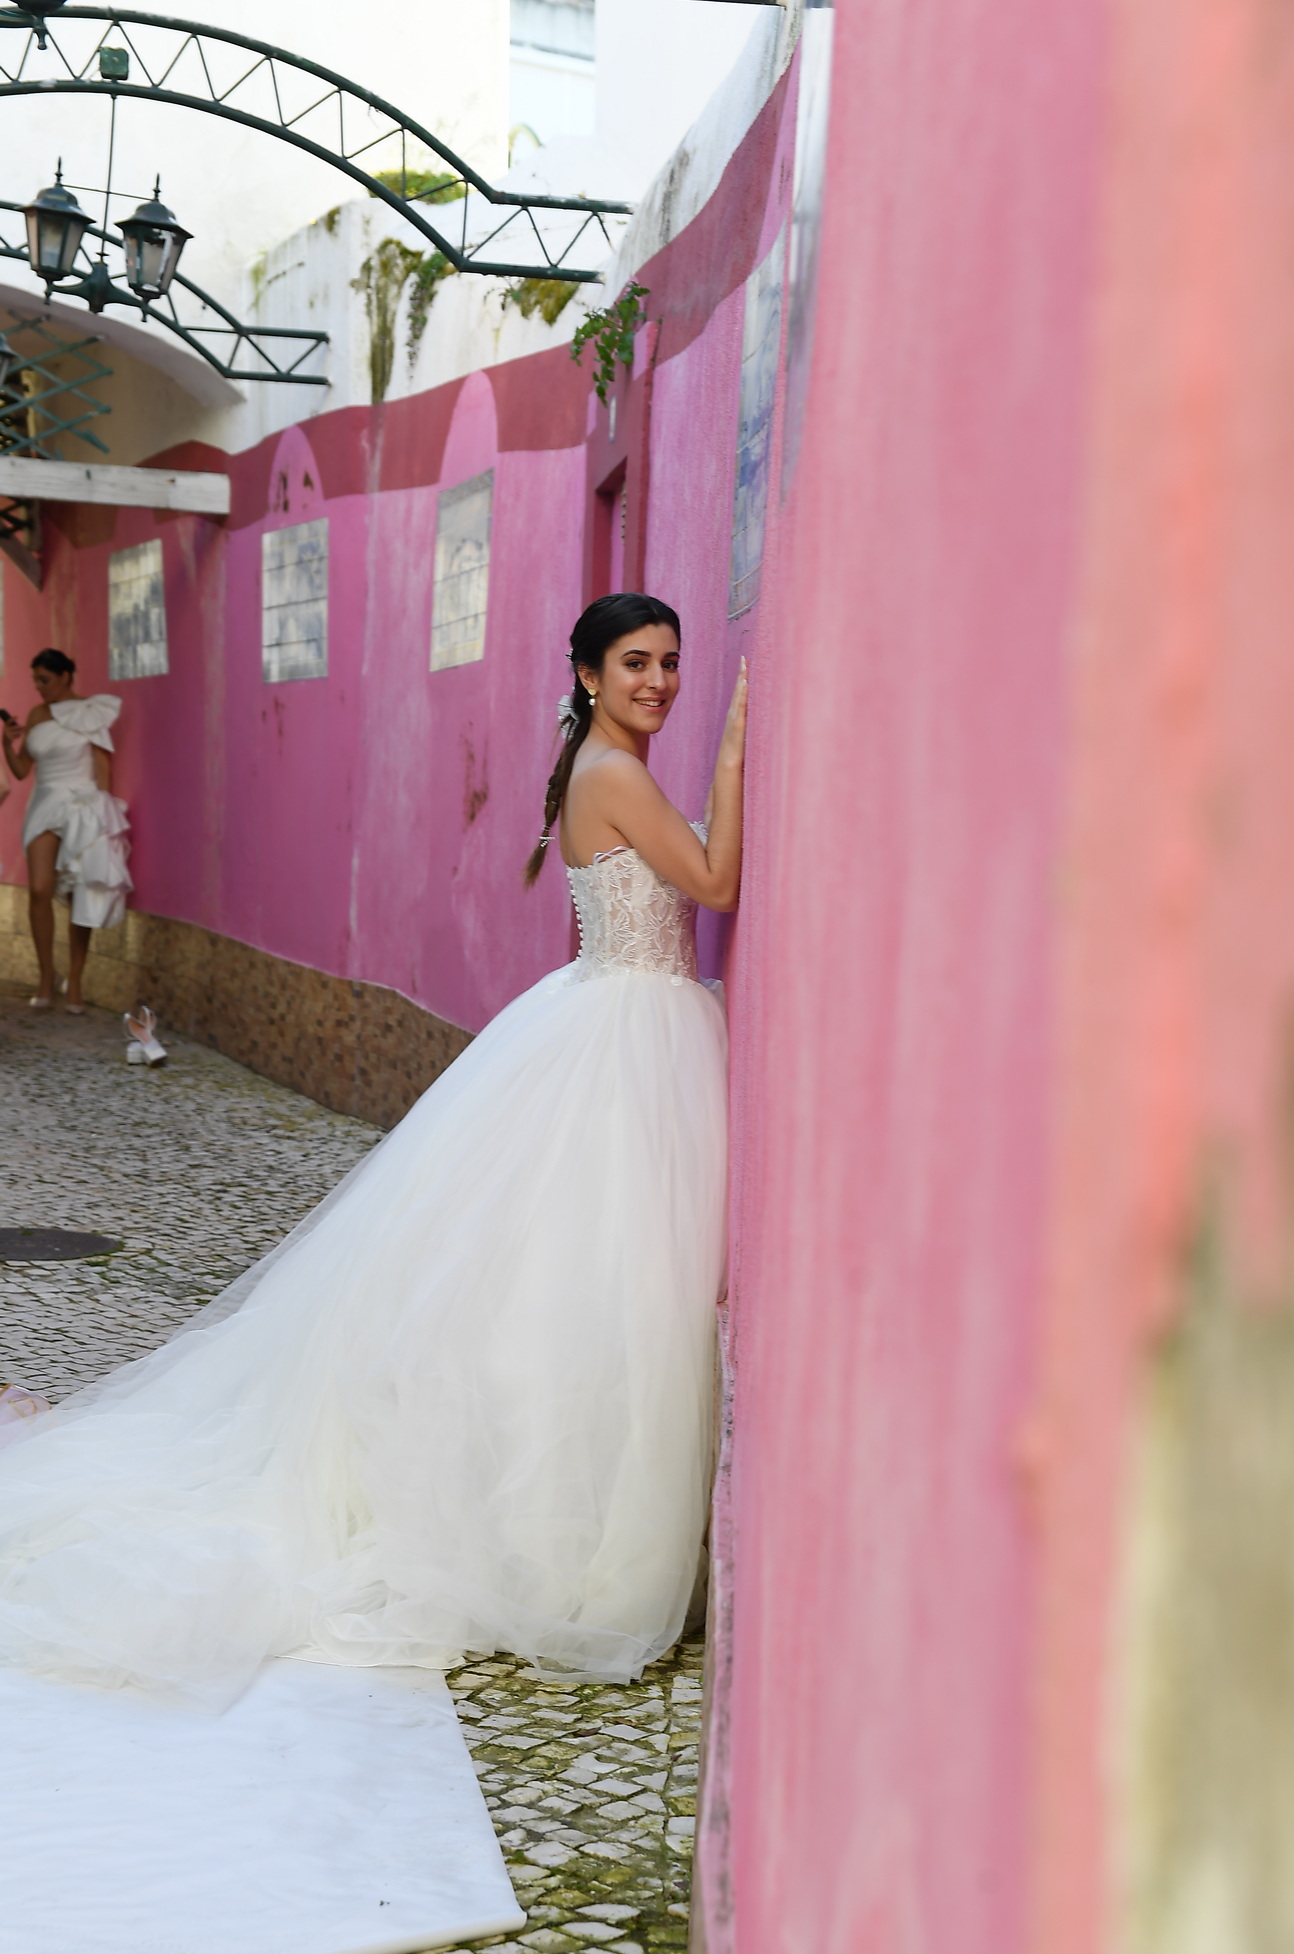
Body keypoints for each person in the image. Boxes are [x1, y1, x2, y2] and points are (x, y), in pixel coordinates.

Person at [0, 593, 746, 1704]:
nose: (661, 682)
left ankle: (559, 1513)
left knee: (579, 1281)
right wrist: (734, 752)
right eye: (636, 662)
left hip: (615, 1019)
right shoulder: (616, 773)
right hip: (626, 1028)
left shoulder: (601, 765)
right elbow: (717, 883)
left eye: (672, 663)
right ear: (589, 675)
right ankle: (559, 1533)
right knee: (605, 1279)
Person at [1, 648, 131, 1014]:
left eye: (44, 680)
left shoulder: (89, 711)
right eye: (35, 681)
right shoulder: (36, 714)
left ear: (65, 676)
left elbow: (102, 764)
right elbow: (22, 771)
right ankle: (47, 976)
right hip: (44, 803)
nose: (39, 687)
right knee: (39, 889)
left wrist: (103, 813)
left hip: (81, 803)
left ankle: (75, 980)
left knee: (79, 893)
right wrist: (5, 743)